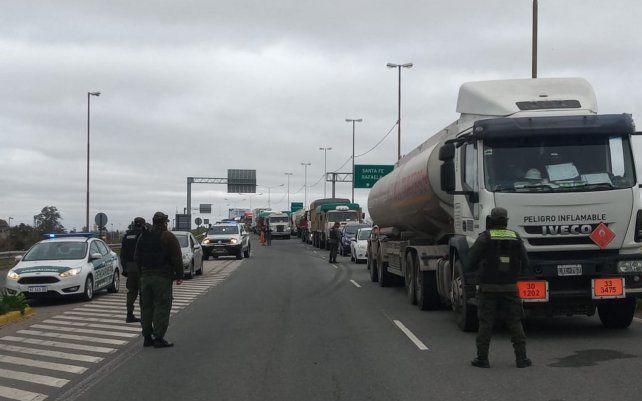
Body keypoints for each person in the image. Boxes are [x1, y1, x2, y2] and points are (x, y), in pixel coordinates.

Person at [467, 207, 531, 369]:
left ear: (491, 220)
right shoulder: (515, 237)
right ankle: (521, 359)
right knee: (515, 323)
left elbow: (470, 261)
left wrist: (477, 274)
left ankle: (482, 359)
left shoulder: (485, 238)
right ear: (506, 221)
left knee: (486, 324)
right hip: (510, 288)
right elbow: (525, 262)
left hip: (488, 289)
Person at [135, 212, 183, 348]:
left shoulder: (143, 236)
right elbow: (176, 257)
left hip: (145, 277)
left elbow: (137, 257)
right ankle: (158, 338)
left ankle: (147, 337)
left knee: (146, 307)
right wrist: (179, 275)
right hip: (162, 277)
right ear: (165, 222)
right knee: (161, 306)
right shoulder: (168, 236)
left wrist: (142, 273)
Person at [120, 217, 146, 323]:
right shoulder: (144, 235)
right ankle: (144, 315)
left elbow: (122, 254)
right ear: (143, 224)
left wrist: (125, 268)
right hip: (141, 267)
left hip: (130, 267)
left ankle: (129, 314)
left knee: (131, 292)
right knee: (143, 292)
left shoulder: (127, 235)